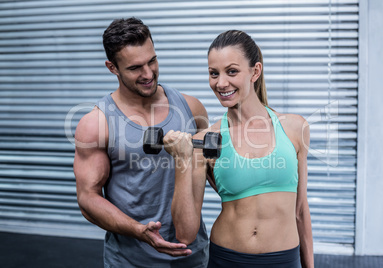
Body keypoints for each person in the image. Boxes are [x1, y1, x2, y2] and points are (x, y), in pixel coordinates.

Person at [164, 30, 314, 267]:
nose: (221, 83)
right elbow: (185, 234)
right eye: (214, 74)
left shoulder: (295, 128)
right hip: (227, 258)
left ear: (255, 71)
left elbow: (300, 211)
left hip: (284, 259)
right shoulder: (206, 140)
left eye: (231, 71)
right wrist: (182, 161)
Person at [73, 17, 209, 267]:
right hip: (131, 260)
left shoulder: (191, 108)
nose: (148, 74)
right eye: (135, 68)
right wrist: (139, 231)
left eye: (152, 61)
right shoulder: (96, 124)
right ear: (112, 67)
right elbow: (88, 199)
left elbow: (212, 171)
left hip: (192, 256)